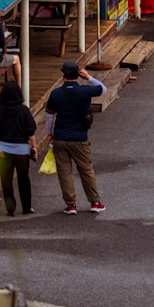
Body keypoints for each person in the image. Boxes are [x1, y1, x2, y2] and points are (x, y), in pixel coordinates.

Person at [45, 61, 106, 215]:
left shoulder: (55, 93)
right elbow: (103, 89)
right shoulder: (85, 91)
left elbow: (49, 116)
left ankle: (71, 205)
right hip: (79, 137)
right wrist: (89, 77)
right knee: (86, 170)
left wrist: (49, 133)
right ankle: (95, 202)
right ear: (78, 75)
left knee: (64, 172)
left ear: (63, 75)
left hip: (60, 137)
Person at [0, 81, 38, 217]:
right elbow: (30, 132)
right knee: (23, 179)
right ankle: (27, 207)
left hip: (3, 149)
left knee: (6, 181)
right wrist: (34, 147)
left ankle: (10, 209)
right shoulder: (23, 110)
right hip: (22, 150)